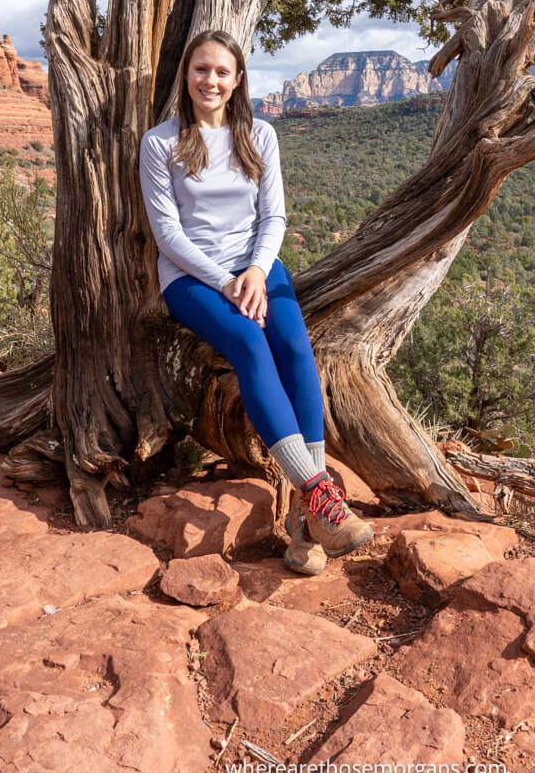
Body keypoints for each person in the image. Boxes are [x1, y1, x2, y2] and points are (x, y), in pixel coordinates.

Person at [138, 29, 374, 575]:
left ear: (237, 80)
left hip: (257, 267)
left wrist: (256, 271)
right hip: (191, 277)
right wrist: (226, 281)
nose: (211, 81)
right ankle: (321, 495)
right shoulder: (161, 142)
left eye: (222, 72)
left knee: (293, 344)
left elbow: (274, 216)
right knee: (249, 342)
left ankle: (308, 520)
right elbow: (168, 234)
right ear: (186, 76)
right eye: (201, 70)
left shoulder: (258, 134)